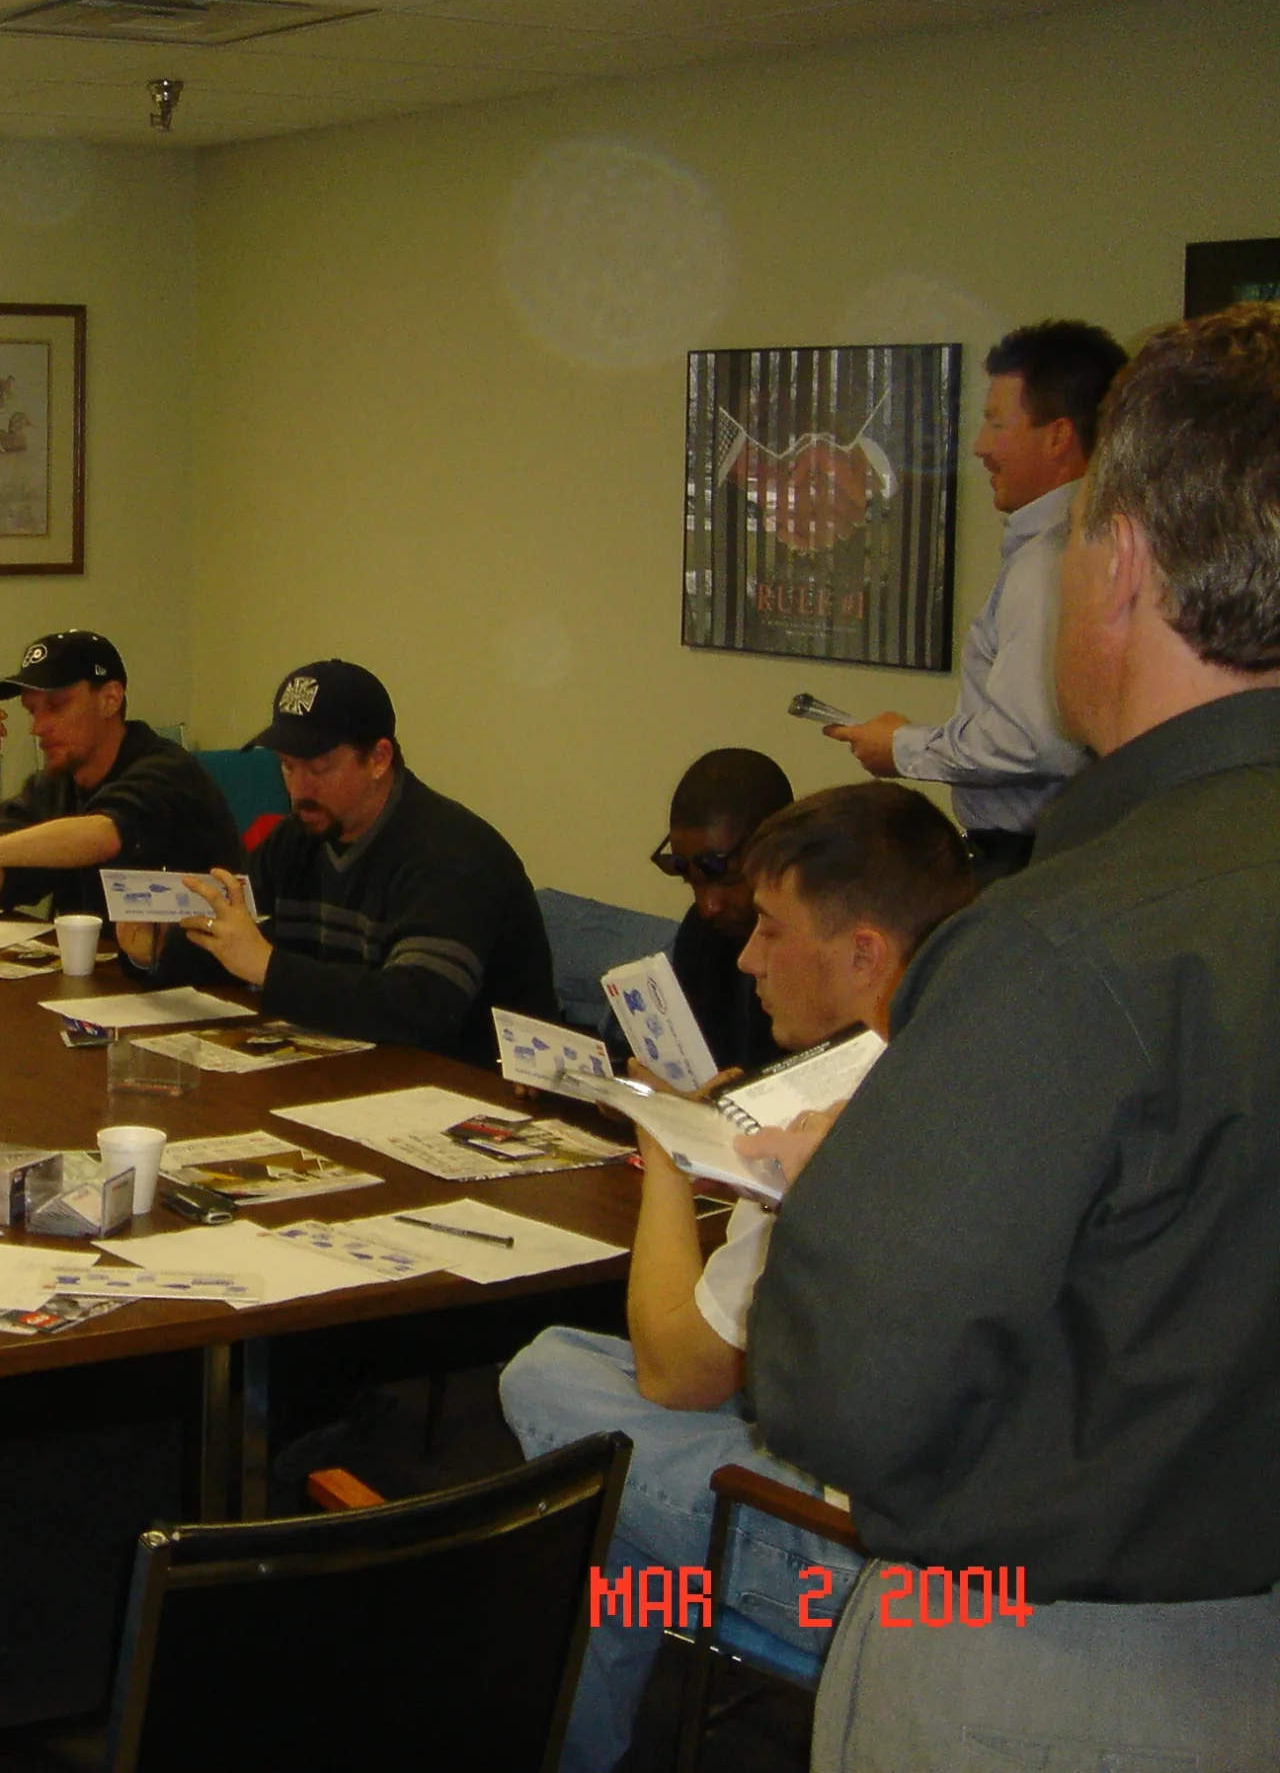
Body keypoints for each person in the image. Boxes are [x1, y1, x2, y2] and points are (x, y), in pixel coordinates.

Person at [751, 306, 1280, 1768]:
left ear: (1117, 564)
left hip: (1055, 1660)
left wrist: (859, 1177)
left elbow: (840, 1392)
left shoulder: (1062, 944)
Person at [502, 781, 975, 1773]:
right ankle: (574, 1749)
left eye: (769, 928)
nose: (747, 957)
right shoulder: (964, 1062)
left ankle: (565, 1750)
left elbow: (682, 1373)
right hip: (975, 1527)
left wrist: (667, 1147)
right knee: (605, 1495)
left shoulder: (833, 1122)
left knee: (550, 1392)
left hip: (861, 1571)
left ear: (863, 954)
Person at [116, 660, 552, 1060]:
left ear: (379, 759)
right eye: (287, 767)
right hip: (349, 1066)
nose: (299, 788)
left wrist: (269, 966)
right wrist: (154, 951)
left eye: (319, 769)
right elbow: (231, 948)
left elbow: (422, 1006)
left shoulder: (454, 856)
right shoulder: (298, 837)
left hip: (465, 1087)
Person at [827, 321, 1127, 879]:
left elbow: (1033, 741)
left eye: (995, 423)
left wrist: (903, 747)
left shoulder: (1051, 562)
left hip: (1030, 861)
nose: (980, 447)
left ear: (1058, 435)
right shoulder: (1091, 541)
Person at [0, 631, 241, 923]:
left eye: (56, 707)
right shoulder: (53, 786)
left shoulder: (165, 769)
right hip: (102, 980)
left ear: (109, 699)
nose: (37, 727)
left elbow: (103, 833)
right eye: (32, 711)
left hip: (202, 985)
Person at [656, 748, 796, 1074]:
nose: (708, 906)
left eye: (727, 880)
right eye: (692, 883)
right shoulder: (702, 933)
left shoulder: (814, 952)